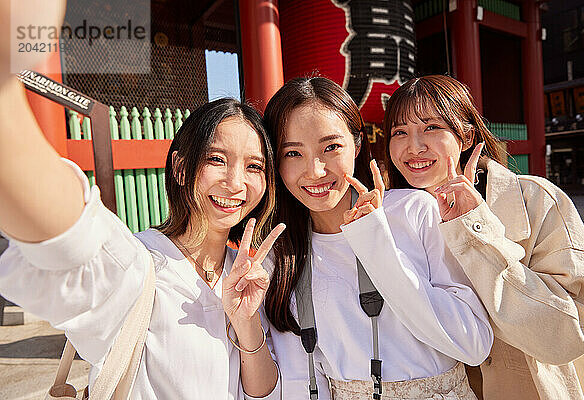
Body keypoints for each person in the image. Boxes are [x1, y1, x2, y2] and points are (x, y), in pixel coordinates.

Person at [0, 72, 286, 397]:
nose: (236, 182)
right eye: (216, 160)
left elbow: (265, 393)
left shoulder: (253, 275)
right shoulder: (140, 265)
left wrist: (246, 324)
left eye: (254, 167)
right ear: (179, 168)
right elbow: (73, 238)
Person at [261, 76, 493, 399]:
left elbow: (474, 344)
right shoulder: (282, 255)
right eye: (293, 154)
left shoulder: (413, 210)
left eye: (330, 147)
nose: (314, 170)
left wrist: (377, 245)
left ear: (356, 145)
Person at [383, 74, 584, 400]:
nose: (414, 146)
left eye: (431, 127)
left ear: (466, 136)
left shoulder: (535, 200)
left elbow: (574, 332)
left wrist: (474, 230)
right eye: (400, 132)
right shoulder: (393, 221)